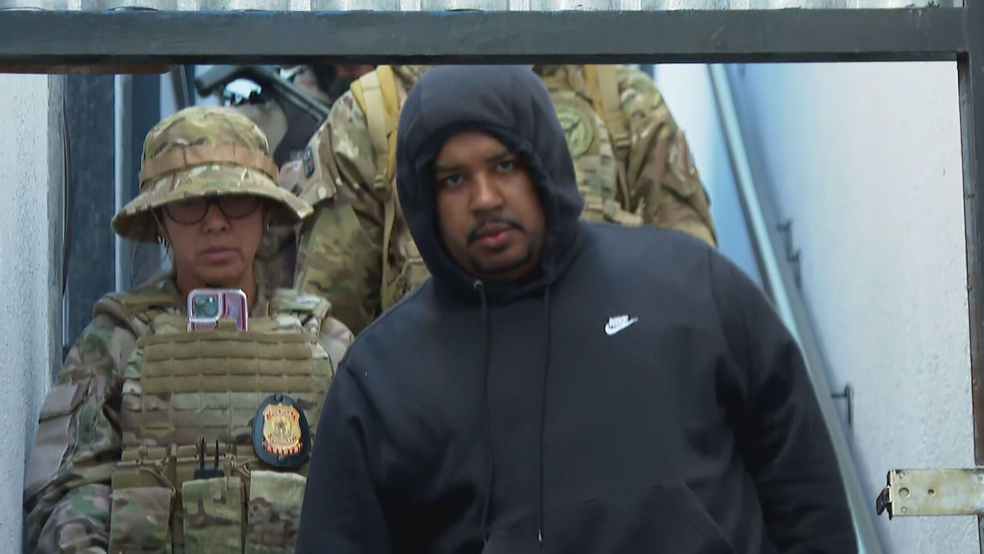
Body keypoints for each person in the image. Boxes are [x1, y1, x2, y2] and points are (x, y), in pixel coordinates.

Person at [296, 66, 856, 553]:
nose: (485, 198)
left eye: (505, 165)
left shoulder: (690, 286)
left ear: (544, 162)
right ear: (424, 194)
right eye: (454, 179)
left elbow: (804, 491)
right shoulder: (382, 379)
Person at [23, 105, 353, 554]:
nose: (215, 222)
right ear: (160, 219)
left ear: (266, 212)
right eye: (189, 203)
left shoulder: (325, 344)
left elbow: (372, 498)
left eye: (236, 199)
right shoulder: (118, 342)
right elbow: (63, 496)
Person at [292, 64, 717, 335]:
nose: (485, 198)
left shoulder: (622, 101)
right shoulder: (370, 115)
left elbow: (696, 297)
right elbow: (331, 334)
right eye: (454, 179)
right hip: (440, 422)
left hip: (605, 402)